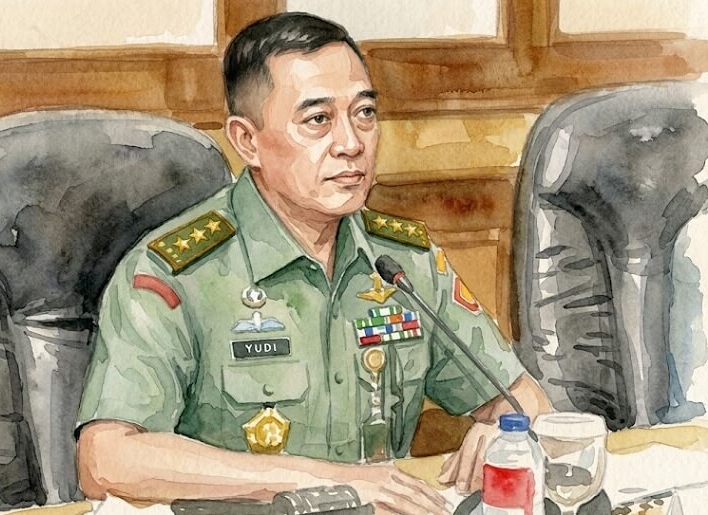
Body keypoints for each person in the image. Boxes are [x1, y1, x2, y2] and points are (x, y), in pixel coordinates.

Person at [75, 12, 551, 514]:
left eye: (364, 113)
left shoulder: (404, 262)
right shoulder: (176, 272)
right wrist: (328, 481)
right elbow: (106, 458)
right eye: (318, 120)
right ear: (247, 141)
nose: (352, 144)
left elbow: (524, 396)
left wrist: (507, 427)